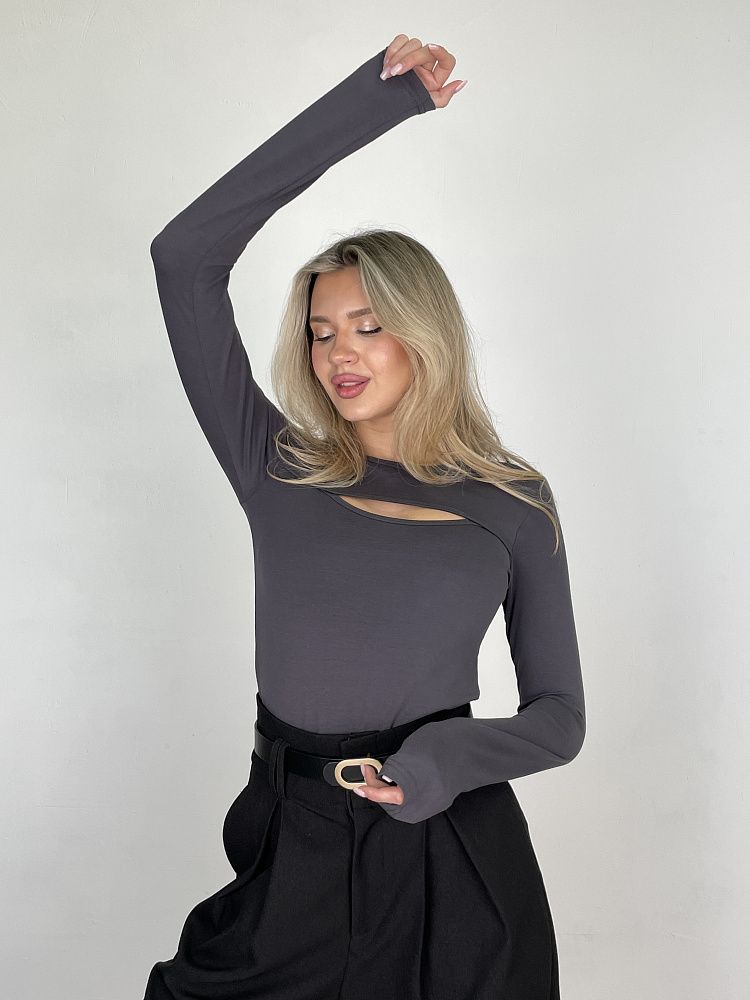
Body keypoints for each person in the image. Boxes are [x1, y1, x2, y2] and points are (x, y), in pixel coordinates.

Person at [144, 33, 585, 1000]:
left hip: (454, 859)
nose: (339, 353)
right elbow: (183, 256)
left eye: (369, 326)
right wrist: (373, 104)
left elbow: (559, 718)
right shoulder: (276, 468)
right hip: (289, 848)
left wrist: (440, 762)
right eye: (320, 332)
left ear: (423, 334)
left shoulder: (513, 501)